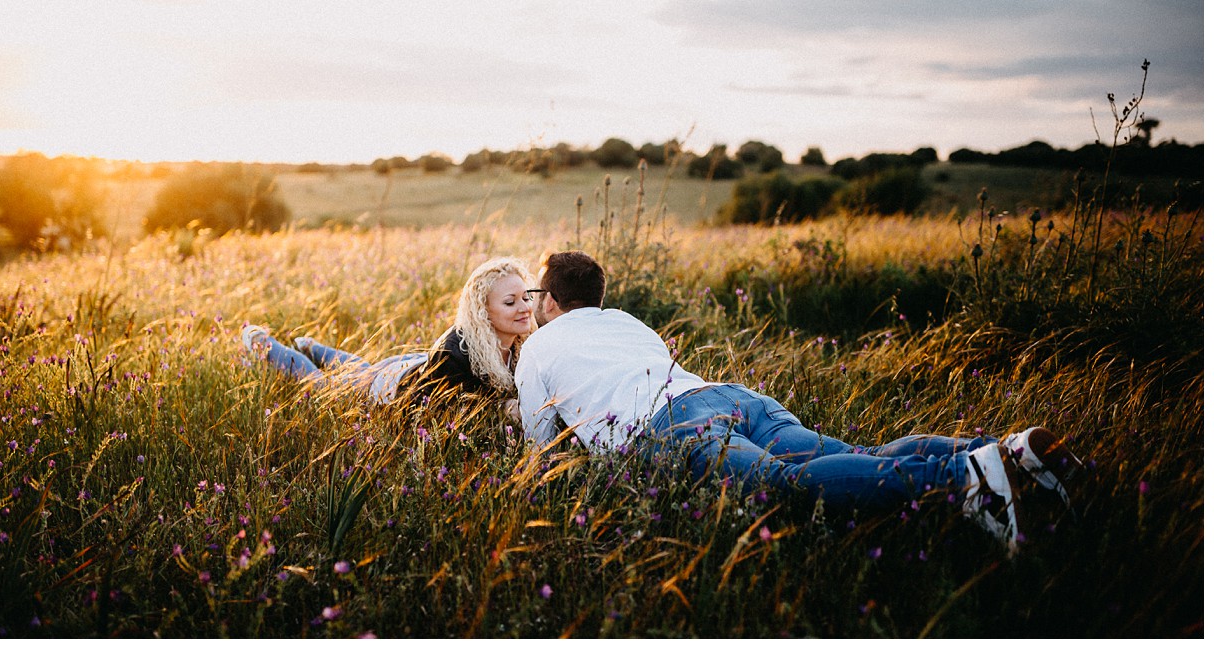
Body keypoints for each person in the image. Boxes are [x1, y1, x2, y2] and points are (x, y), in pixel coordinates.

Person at [515, 250, 1082, 554]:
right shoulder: (625, 320)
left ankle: (964, 472)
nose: (533, 304)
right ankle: (1006, 452)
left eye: (538, 295)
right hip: (728, 397)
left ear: (554, 301)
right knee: (854, 454)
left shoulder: (539, 344)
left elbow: (542, 444)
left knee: (787, 488)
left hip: (673, 429)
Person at [241, 256, 535, 406]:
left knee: (361, 370)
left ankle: (311, 346)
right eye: (510, 302)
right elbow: (452, 413)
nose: (524, 308)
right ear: (483, 312)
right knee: (325, 386)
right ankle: (261, 342)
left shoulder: (527, 343)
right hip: (395, 387)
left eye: (525, 297)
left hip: (415, 363)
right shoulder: (457, 354)